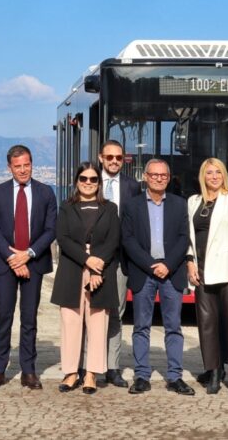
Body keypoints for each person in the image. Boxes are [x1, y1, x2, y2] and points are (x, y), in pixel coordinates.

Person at [0, 144, 57, 390]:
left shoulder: (46, 192)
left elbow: (50, 229)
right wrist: (13, 258)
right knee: (3, 316)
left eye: (27, 165)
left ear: (32, 164)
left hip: (34, 263)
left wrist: (28, 255)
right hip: (5, 263)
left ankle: (29, 370)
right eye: (18, 166)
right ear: (9, 167)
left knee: (29, 319)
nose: (23, 170)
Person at [121, 159, 193, 395]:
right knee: (141, 326)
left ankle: (175, 377)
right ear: (146, 177)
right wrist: (152, 265)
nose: (159, 178)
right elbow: (128, 240)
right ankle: (142, 375)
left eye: (164, 175)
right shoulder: (132, 206)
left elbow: (184, 238)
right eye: (154, 175)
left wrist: (168, 265)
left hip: (172, 274)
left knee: (174, 326)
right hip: (144, 272)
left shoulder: (180, 204)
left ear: (169, 178)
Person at [51, 162, 120, 395]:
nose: (88, 183)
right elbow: (63, 238)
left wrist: (96, 268)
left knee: (98, 323)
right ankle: (71, 372)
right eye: (83, 179)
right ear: (76, 181)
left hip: (101, 272)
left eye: (93, 179)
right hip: (72, 270)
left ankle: (91, 373)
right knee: (70, 322)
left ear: (99, 183)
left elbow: (113, 240)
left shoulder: (110, 208)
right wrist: (87, 260)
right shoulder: (66, 207)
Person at [185, 158, 228, 397]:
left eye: (218, 172)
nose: (214, 177)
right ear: (203, 176)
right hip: (201, 271)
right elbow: (188, 237)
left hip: (227, 269)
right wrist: (189, 262)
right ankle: (213, 370)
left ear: (224, 175)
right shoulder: (193, 202)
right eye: (209, 173)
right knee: (207, 323)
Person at [97, 139, 140, 388]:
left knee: (116, 313)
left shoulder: (132, 186)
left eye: (119, 158)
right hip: (93, 260)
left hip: (120, 260)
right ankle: (89, 365)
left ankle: (112, 368)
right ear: (101, 158)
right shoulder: (89, 180)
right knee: (92, 314)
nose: (114, 162)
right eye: (109, 157)